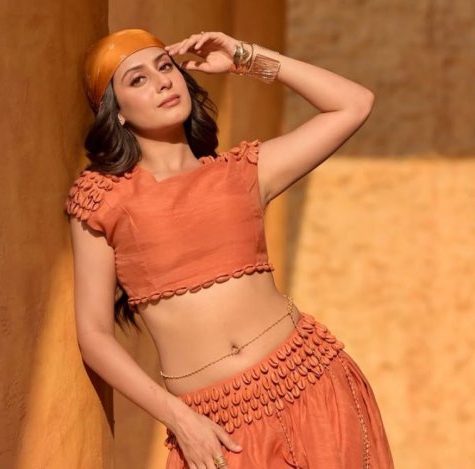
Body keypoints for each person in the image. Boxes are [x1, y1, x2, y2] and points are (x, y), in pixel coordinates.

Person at [64, 28, 393, 469]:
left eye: (165, 67)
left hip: (313, 383)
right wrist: (179, 419)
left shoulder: (243, 172)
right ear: (116, 112)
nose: (162, 82)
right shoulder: (102, 198)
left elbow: (353, 104)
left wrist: (243, 56)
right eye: (137, 79)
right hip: (214, 426)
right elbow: (94, 335)